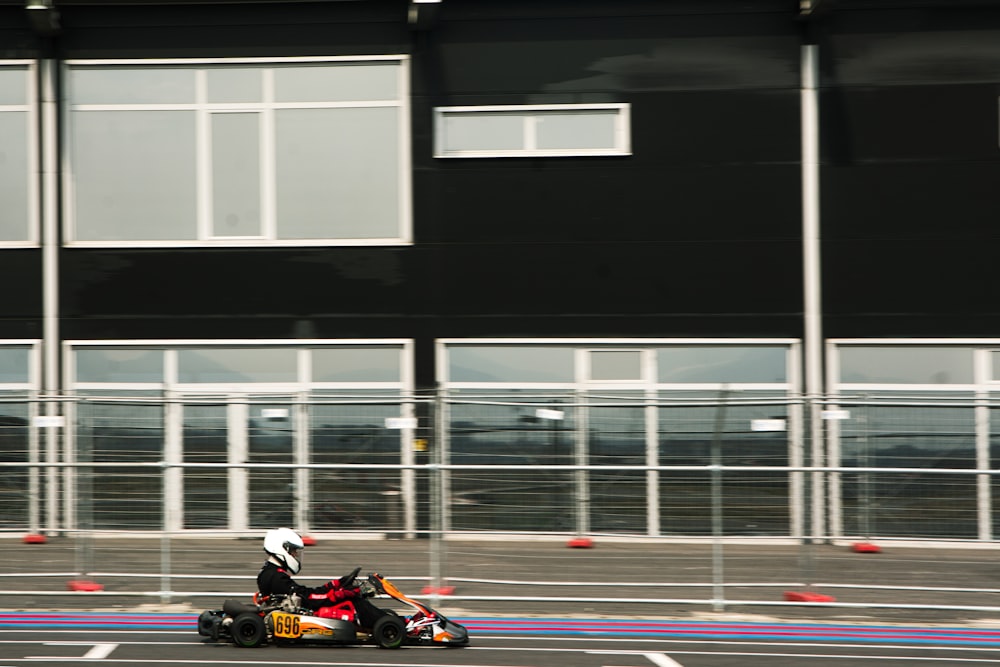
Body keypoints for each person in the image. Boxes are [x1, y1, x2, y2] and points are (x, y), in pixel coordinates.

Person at [257, 527, 389, 629]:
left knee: (351, 598)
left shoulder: (270, 572)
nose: (296, 555)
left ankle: (388, 621)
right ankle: (393, 625)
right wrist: (340, 594)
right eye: (293, 551)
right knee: (353, 602)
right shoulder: (275, 576)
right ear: (282, 549)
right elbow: (307, 598)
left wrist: (337, 584)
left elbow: (304, 593)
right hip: (306, 612)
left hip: (302, 606)